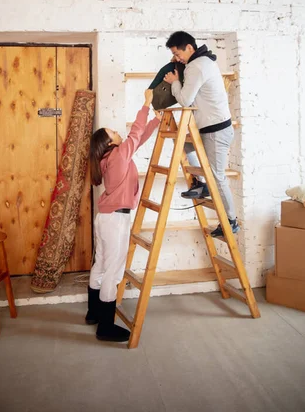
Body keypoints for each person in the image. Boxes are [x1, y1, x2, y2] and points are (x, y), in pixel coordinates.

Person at [86, 89, 161, 342]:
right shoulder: (118, 154)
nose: (117, 132)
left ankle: (93, 313)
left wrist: (156, 121)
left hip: (105, 218)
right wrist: (146, 104)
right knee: (113, 273)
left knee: (100, 265)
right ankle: (105, 327)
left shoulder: (112, 157)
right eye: (112, 133)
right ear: (109, 143)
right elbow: (134, 134)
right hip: (116, 220)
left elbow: (137, 139)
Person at [163, 31, 239, 238]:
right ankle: (200, 183)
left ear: (189, 47)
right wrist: (179, 65)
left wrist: (174, 82)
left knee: (217, 176)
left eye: (178, 54)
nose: (177, 58)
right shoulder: (199, 63)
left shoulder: (197, 66)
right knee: (185, 147)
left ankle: (231, 221)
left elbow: (186, 100)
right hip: (207, 128)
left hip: (215, 131)